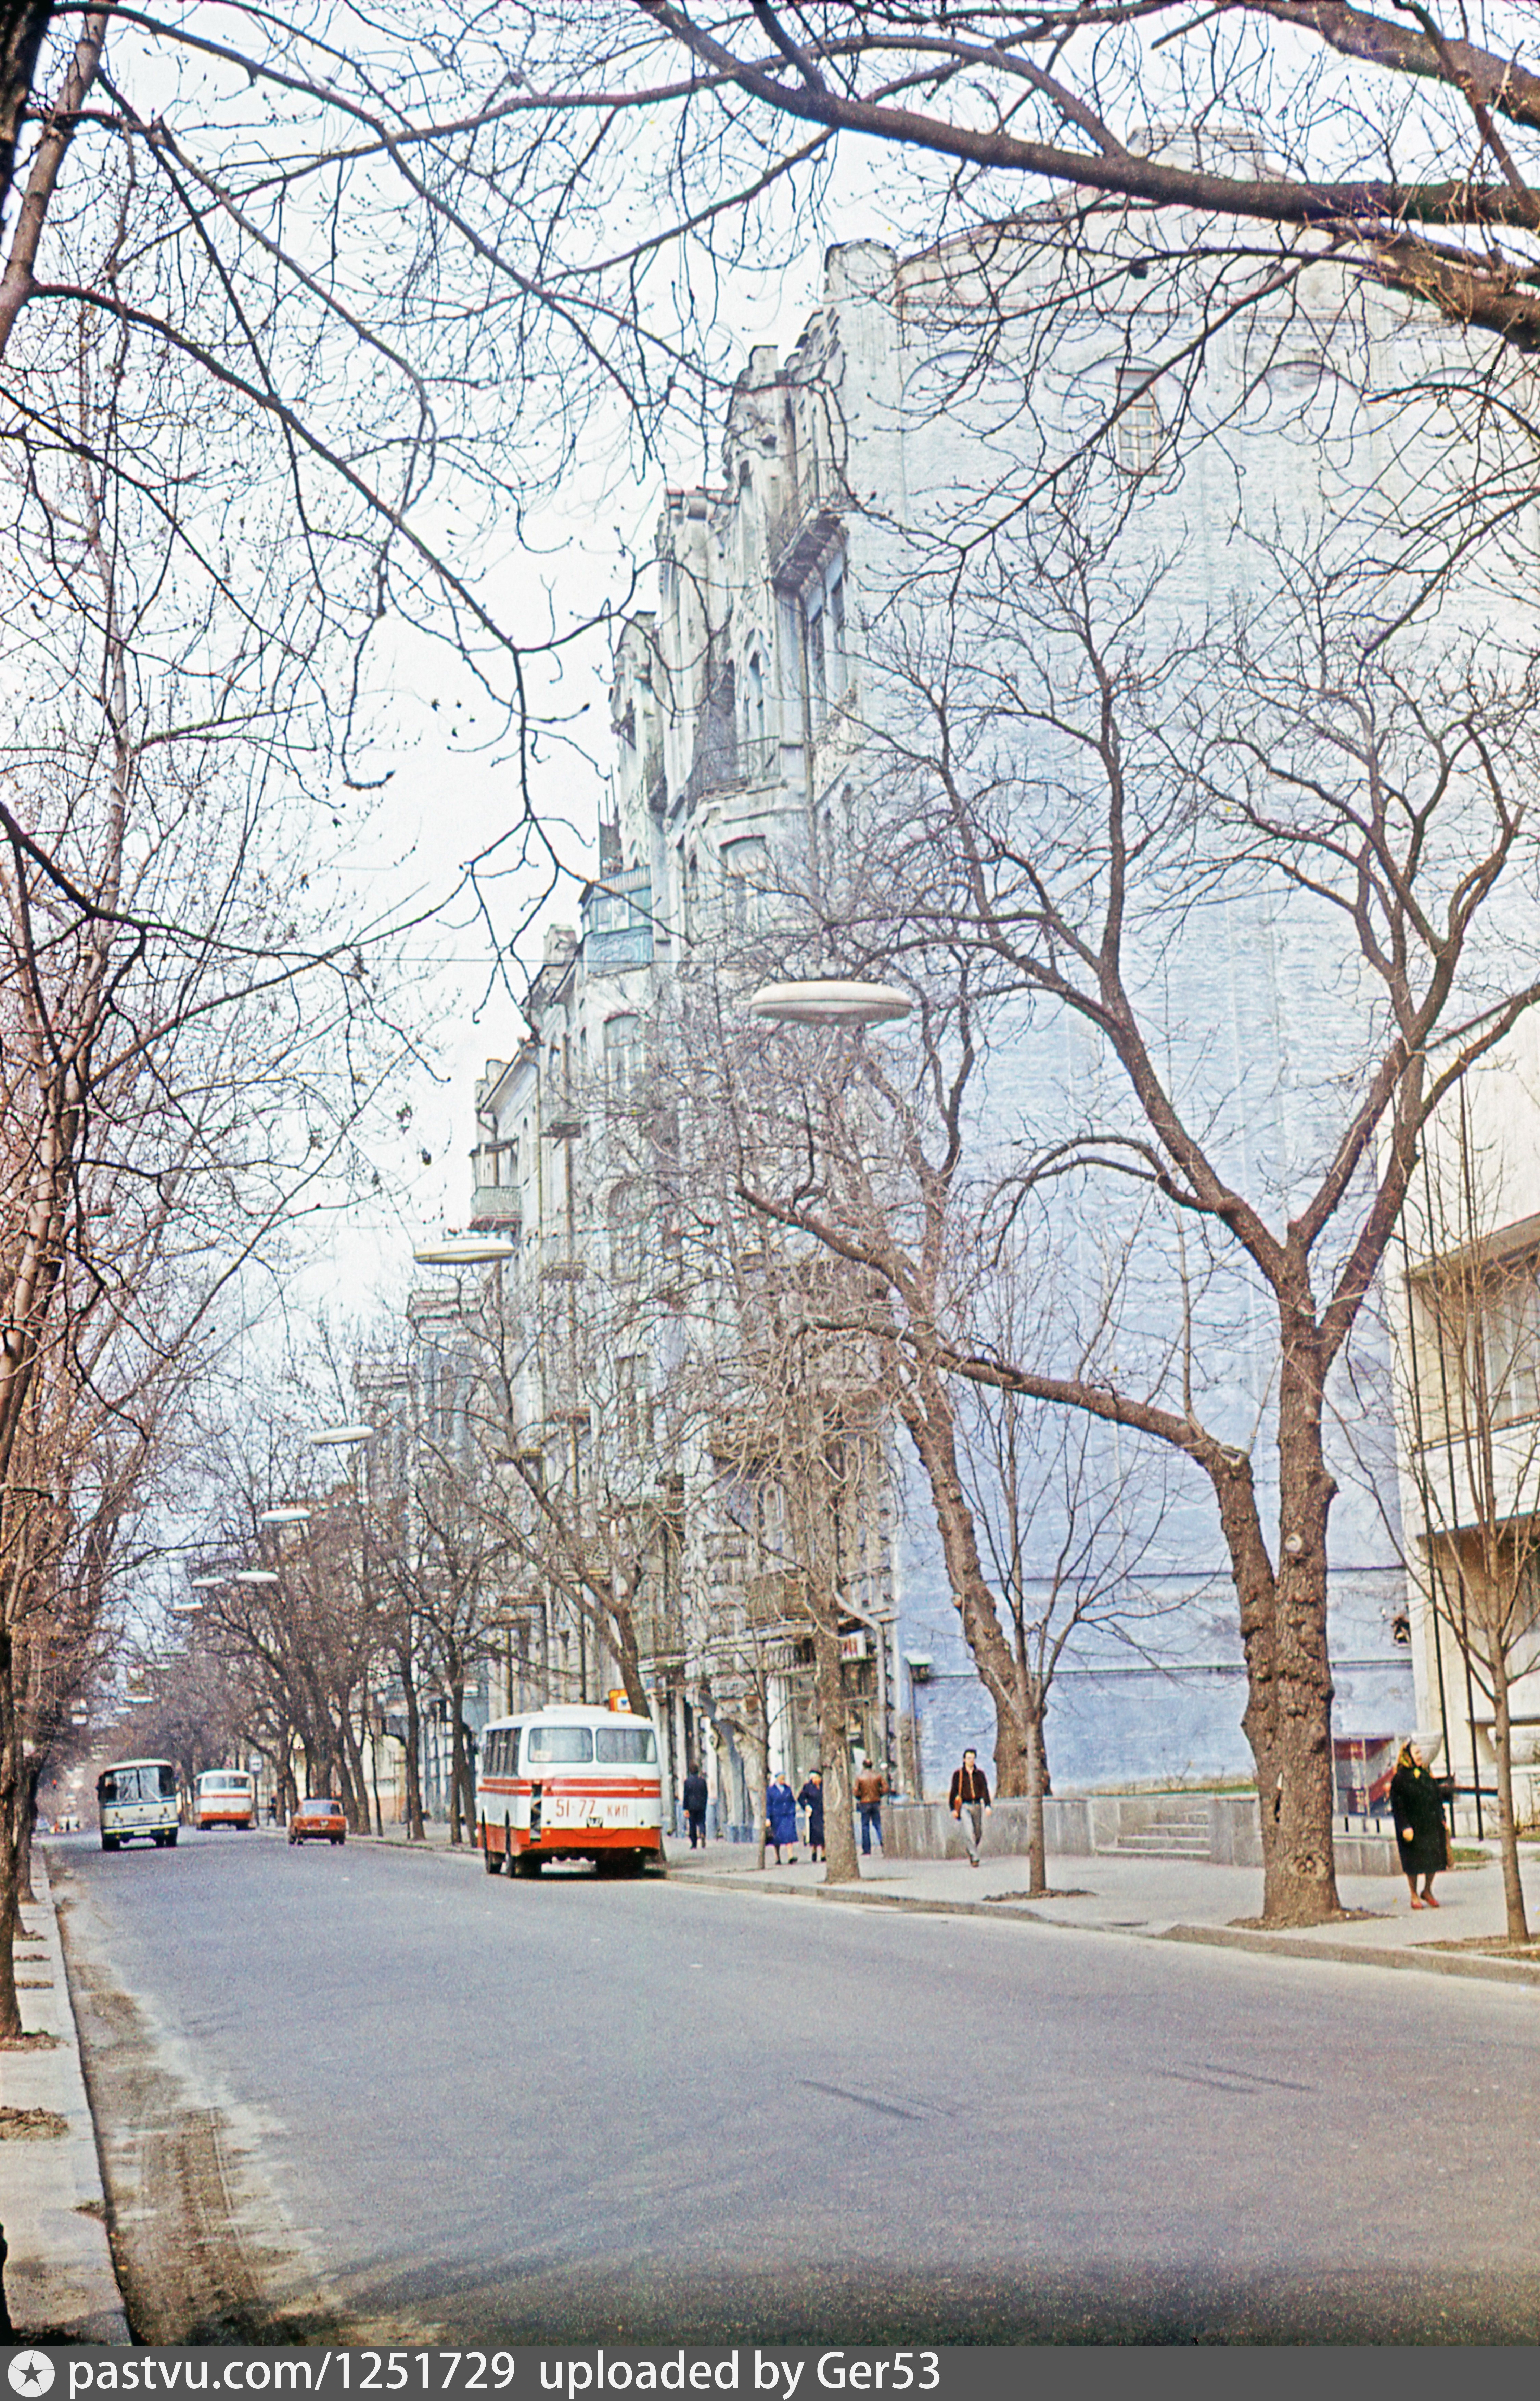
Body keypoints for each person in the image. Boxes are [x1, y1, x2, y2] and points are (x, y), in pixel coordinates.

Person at [1390, 1739, 1448, 1910]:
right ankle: (1414, 1895)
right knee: (1413, 1862)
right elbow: (1398, 1806)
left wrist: (1442, 1818)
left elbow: (1437, 1798)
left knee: (1435, 1859)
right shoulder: (1400, 1778)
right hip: (1411, 1827)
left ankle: (1427, 1890)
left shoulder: (1426, 1774)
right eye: (1416, 1753)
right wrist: (1405, 1827)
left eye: (1420, 1753)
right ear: (1408, 1756)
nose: (1420, 1756)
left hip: (1430, 1825)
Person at [949, 1748, 991, 1867]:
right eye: (969, 1758)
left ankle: (971, 1849)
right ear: (964, 1760)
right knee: (969, 1831)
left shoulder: (980, 1774)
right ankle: (975, 1858)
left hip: (977, 1805)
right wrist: (953, 1809)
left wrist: (988, 1805)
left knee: (978, 1833)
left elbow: (985, 1791)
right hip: (965, 1806)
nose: (971, 1760)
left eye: (973, 1758)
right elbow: (953, 1792)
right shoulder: (958, 1775)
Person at [854, 1761, 886, 1856]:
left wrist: (861, 1796)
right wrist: (879, 1794)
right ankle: (883, 1845)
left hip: (865, 1803)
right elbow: (886, 1788)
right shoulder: (878, 1776)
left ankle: (867, 1849)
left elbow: (856, 1792)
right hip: (876, 1802)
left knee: (865, 1826)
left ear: (864, 1766)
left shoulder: (860, 1777)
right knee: (878, 1825)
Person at [765, 1771, 798, 1865]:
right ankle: (777, 1858)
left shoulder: (788, 1789)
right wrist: (768, 1818)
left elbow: (792, 1801)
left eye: (784, 1778)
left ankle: (791, 1856)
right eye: (781, 1778)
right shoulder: (771, 1790)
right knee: (777, 1839)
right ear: (777, 1779)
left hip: (787, 1815)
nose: (783, 1780)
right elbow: (768, 1805)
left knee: (789, 1836)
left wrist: (792, 1812)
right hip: (776, 1817)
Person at [798, 1769, 825, 1863]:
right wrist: (806, 1806)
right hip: (813, 1813)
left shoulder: (824, 1786)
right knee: (815, 1833)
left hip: (823, 1812)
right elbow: (801, 1798)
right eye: (814, 1778)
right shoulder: (808, 1787)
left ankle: (824, 1853)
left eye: (818, 1778)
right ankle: (814, 1851)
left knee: (824, 1833)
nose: (817, 1780)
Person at [681, 1762, 708, 1851]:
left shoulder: (687, 1782)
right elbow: (706, 1794)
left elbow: (686, 1795)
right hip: (701, 1806)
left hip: (691, 1807)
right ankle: (702, 1833)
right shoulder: (703, 1781)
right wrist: (704, 1804)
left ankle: (694, 1844)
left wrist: (685, 1808)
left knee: (692, 1825)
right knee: (701, 1822)